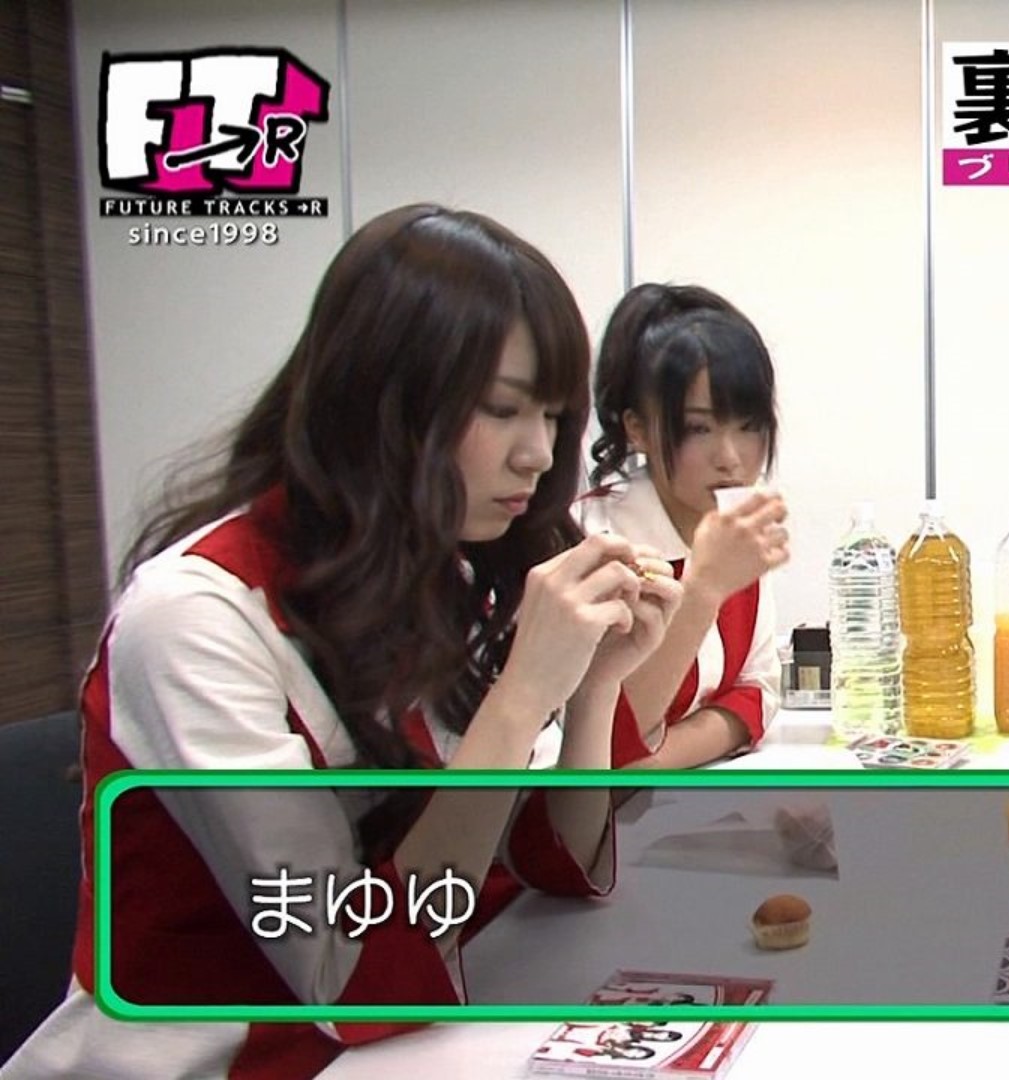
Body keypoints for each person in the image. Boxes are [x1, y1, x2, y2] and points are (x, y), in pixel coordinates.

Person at [1, 205, 682, 1080]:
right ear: (376, 402)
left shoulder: (441, 570)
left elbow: (543, 865)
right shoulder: (196, 616)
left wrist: (590, 688)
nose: (538, 455)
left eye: (552, 416)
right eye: (501, 409)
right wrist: (518, 699)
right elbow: (351, 973)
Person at [576, 283, 789, 768]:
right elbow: (601, 738)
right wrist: (703, 589)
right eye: (699, 428)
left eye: (748, 426)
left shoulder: (734, 531)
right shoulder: (595, 542)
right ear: (637, 429)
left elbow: (758, 689)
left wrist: (654, 762)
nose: (730, 458)